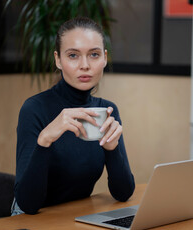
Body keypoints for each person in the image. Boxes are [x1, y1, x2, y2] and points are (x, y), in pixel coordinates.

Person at [11, 17, 135, 215]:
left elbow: (123, 193)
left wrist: (112, 149)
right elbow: (28, 204)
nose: (85, 65)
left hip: (77, 215)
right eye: (73, 56)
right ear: (58, 60)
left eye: (94, 55)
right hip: (32, 220)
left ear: (104, 58)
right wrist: (45, 139)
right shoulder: (34, 109)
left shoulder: (107, 110)